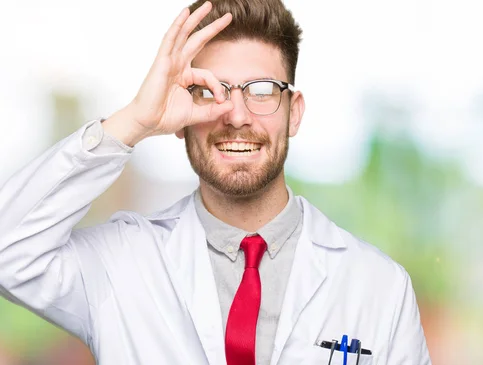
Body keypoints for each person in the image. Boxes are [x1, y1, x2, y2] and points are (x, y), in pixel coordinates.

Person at [0, 0, 431, 364]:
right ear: (179, 113)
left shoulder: (380, 287)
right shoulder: (121, 265)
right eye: (213, 91)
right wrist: (134, 120)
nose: (237, 116)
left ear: (293, 112)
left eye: (261, 90)